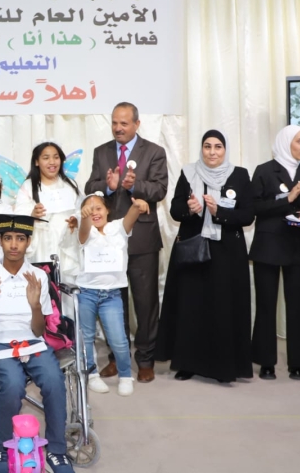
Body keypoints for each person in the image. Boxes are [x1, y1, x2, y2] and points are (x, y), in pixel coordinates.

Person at [0, 214, 75, 473]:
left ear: (28, 242)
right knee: (12, 384)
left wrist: (35, 307)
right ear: (0, 241)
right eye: (8, 238)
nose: (13, 245)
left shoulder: (38, 276)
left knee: (54, 381)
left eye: (20, 238)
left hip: (32, 341)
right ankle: (4, 449)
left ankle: (57, 451)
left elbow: (39, 330)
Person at [157, 130, 255, 383]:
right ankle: (187, 363)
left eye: (218, 147)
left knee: (223, 306)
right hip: (194, 248)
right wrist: (190, 209)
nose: (212, 152)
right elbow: (175, 210)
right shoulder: (188, 172)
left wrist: (218, 211)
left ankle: (224, 367)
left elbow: (248, 215)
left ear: (225, 149)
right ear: (201, 149)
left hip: (227, 252)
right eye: (207, 146)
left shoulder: (240, 175)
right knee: (191, 306)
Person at [85, 102, 168, 383]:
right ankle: (116, 358)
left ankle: (145, 359)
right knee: (113, 304)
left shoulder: (154, 152)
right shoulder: (101, 152)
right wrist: (107, 187)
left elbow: (160, 189)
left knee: (145, 303)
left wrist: (134, 186)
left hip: (142, 239)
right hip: (108, 241)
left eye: (124, 123)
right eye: (114, 123)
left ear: (136, 124)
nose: (118, 128)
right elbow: (90, 187)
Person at [249, 125, 300, 381]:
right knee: (266, 305)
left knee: (297, 305)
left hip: (296, 247)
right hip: (268, 247)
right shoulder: (264, 170)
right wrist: (288, 198)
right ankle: (266, 362)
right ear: (286, 143)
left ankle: (298, 362)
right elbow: (254, 207)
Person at [77, 192, 149, 396]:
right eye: (90, 210)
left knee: (119, 339)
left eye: (98, 208)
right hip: (86, 292)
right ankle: (91, 375)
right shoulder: (85, 231)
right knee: (86, 337)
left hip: (112, 295)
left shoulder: (118, 228)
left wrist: (138, 205)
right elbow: (83, 231)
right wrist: (84, 218)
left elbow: (132, 215)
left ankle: (125, 375)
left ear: (107, 210)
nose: (95, 213)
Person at [12, 141, 81, 283]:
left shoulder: (70, 184)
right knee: (42, 284)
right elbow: (18, 214)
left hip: (67, 242)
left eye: (56, 157)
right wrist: (32, 213)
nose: (52, 162)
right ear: (36, 162)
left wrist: (76, 220)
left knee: (67, 284)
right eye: (46, 158)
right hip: (41, 243)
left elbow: (82, 209)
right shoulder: (28, 186)